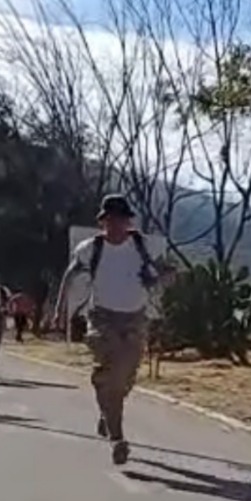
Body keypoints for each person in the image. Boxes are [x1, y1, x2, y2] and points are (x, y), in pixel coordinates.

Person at [49, 194, 172, 465]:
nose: (116, 225)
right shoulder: (90, 248)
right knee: (111, 376)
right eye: (111, 220)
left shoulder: (143, 246)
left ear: (128, 222)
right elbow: (69, 275)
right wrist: (60, 311)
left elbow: (167, 272)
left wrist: (158, 278)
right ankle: (117, 438)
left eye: (121, 220)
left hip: (135, 319)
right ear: (103, 222)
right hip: (103, 319)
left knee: (126, 377)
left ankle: (107, 411)